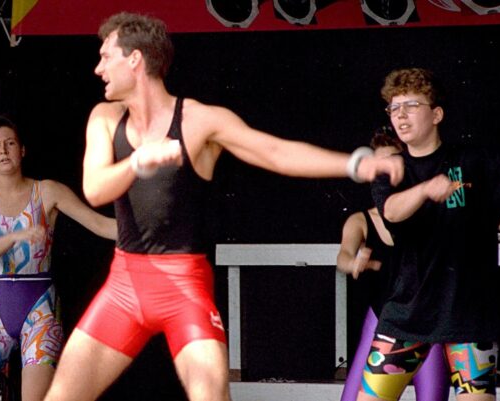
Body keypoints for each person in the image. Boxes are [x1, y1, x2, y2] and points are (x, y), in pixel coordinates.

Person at [42, 12, 404, 401]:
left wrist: (355, 164)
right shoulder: (105, 117)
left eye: (106, 56)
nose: (98, 69)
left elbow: (274, 152)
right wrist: (136, 161)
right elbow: (94, 189)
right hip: (124, 285)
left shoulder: (200, 121)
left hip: (183, 286)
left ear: (135, 60)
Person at [363, 67, 500, 401]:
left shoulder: (476, 161)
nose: (400, 115)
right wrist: (427, 189)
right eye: (394, 108)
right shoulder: (391, 169)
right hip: (408, 313)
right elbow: (391, 212)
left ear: (437, 114)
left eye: (411, 106)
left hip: (469, 314)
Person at [0, 115, 117, 401]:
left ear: (22, 150)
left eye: (10, 143)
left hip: (40, 308)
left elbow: (99, 224)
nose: (3, 151)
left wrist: (150, 231)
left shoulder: (46, 191)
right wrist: (17, 236)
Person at [337, 129, 449, 401]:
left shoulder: (429, 214)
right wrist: (353, 262)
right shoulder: (360, 220)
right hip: (382, 319)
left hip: (425, 318)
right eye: (379, 168)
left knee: (432, 396)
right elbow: (343, 256)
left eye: (391, 165)